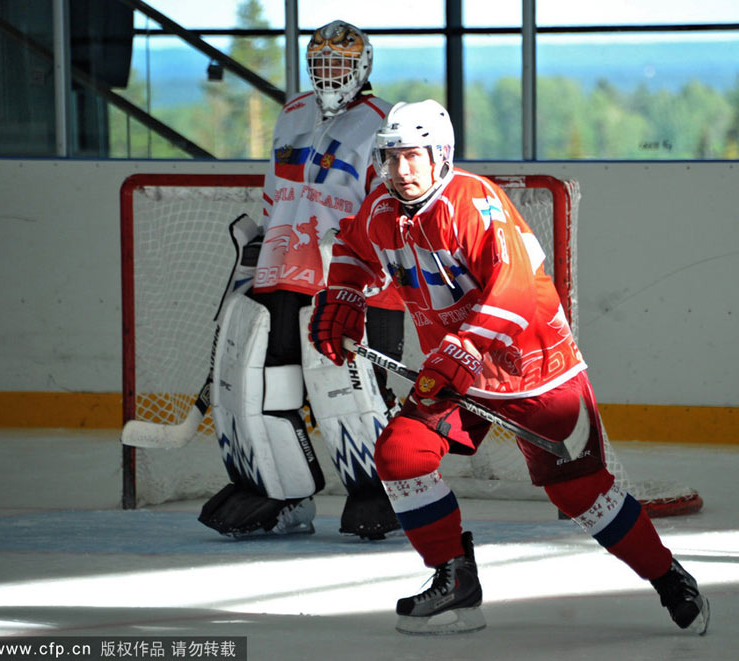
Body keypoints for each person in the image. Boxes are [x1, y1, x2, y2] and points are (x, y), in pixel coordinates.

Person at [308, 99, 711, 635]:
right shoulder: (380, 206)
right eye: (391, 157)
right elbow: (354, 249)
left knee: (579, 491)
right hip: (459, 370)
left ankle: (667, 577)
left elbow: (515, 289)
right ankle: (455, 581)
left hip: (534, 368)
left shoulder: (476, 203)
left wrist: (463, 349)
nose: (401, 171)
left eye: (413, 156)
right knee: (401, 454)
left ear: (441, 155)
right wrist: (344, 295)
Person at [198, 20, 405, 541]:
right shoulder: (292, 114)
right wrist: (261, 245)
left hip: (359, 283)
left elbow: (392, 206)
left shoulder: (382, 122)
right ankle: (282, 496)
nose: (328, 73)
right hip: (284, 273)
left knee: (353, 394)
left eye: (339, 63)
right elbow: (277, 193)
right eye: (320, 63)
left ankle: (380, 494)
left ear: (362, 68)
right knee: (270, 389)